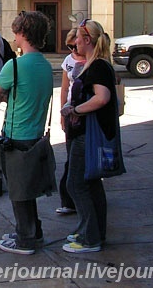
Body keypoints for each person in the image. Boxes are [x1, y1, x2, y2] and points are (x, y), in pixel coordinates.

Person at [0, 11, 53, 255]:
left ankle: (25, 238)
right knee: (28, 188)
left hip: (16, 136)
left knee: (18, 191)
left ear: (23, 34)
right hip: (37, 135)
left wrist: (7, 95)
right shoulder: (46, 66)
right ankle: (33, 231)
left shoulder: (14, 65)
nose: (14, 38)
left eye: (16, 33)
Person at [60, 19, 118, 253]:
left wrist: (75, 109)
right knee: (90, 184)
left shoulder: (98, 67)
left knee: (77, 183)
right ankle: (92, 231)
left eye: (77, 38)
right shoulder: (96, 66)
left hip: (88, 134)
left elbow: (101, 97)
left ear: (87, 40)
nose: (74, 42)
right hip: (85, 132)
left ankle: (89, 237)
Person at [57, 28, 86, 216]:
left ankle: (76, 200)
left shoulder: (94, 62)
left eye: (74, 46)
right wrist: (62, 114)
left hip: (84, 114)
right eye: (69, 47)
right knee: (71, 157)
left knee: (79, 160)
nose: (72, 50)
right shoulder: (68, 61)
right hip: (70, 113)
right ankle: (69, 200)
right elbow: (64, 88)